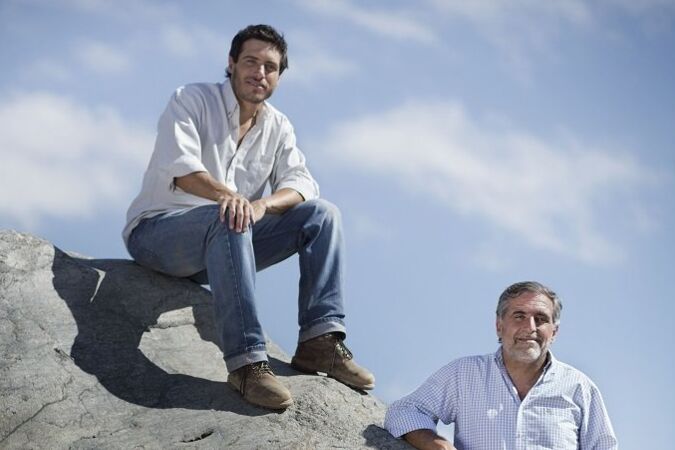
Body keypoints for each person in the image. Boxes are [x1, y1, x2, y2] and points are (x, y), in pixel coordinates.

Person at [122, 24, 374, 410]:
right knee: (229, 215)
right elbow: (182, 169)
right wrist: (233, 198)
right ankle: (247, 365)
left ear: (278, 76)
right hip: (159, 234)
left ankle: (318, 343)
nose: (260, 72)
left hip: (226, 247)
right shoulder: (191, 99)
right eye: (251, 62)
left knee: (322, 215)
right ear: (231, 63)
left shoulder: (278, 126)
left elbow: (303, 183)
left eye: (270, 67)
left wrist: (262, 206)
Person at [384, 281, 617, 450]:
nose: (530, 327)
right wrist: (437, 446)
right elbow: (404, 411)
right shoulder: (464, 374)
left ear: (554, 332)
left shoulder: (579, 388)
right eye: (519, 316)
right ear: (499, 326)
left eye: (541, 319)